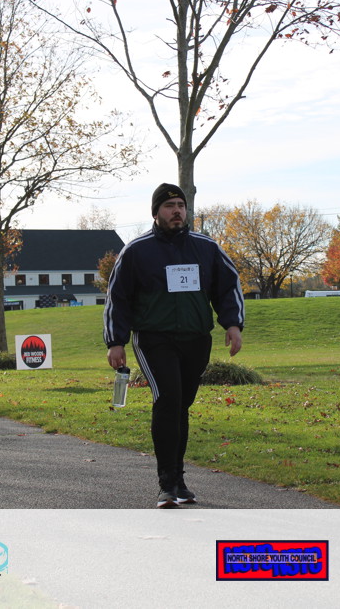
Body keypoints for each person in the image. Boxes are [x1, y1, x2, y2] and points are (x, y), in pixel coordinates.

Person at [104, 183, 244, 508]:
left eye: (181, 205)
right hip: (154, 339)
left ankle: (179, 481)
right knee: (168, 400)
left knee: (181, 405)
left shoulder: (206, 247)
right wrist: (116, 341)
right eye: (169, 206)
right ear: (156, 212)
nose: (177, 211)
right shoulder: (136, 251)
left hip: (196, 338)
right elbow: (118, 298)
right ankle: (167, 484)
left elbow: (228, 286)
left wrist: (233, 324)